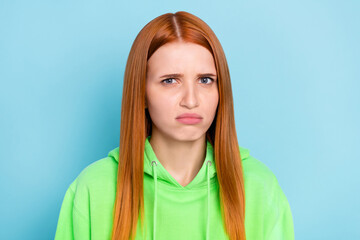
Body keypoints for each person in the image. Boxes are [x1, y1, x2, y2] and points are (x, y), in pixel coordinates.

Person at [54, 11, 294, 240]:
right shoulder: (92, 189)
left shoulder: (259, 187)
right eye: (170, 81)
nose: (191, 100)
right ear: (141, 94)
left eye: (205, 80)